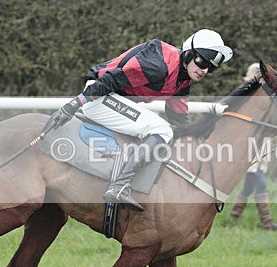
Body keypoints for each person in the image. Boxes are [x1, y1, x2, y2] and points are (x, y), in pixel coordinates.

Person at [47, 29, 233, 211]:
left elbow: (179, 120)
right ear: (188, 53)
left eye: (211, 68)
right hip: (100, 94)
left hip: (113, 99)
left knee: (168, 130)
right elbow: (110, 80)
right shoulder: (159, 64)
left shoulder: (183, 81)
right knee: (161, 129)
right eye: (201, 62)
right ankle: (119, 186)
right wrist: (73, 104)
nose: (204, 70)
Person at [229, 63, 277, 231]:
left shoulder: (261, 96)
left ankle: (234, 216)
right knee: (259, 183)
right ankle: (267, 222)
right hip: (248, 146)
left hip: (257, 146)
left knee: (250, 184)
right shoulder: (247, 95)